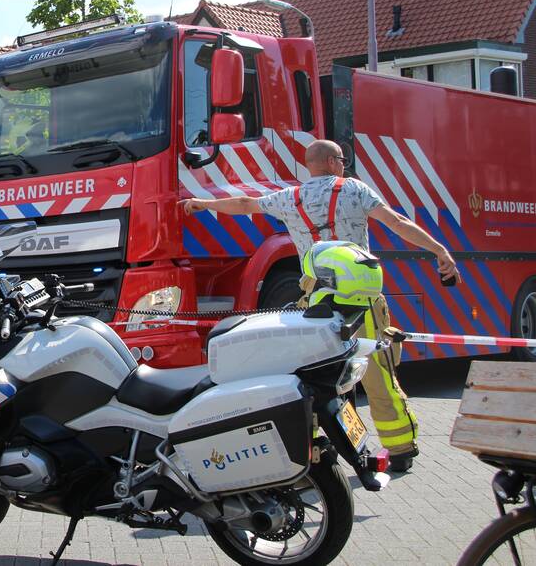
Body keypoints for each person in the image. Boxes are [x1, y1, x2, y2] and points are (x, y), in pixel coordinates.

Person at [180, 139, 461, 472]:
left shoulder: (291, 198)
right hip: (359, 297)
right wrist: (440, 251)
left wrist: (201, 202)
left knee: (318, 373)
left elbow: (244, 204)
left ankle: (315, 451)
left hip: (316, 302)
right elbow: (397, 223)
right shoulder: (354, 190)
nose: (344, 164)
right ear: (330, 161)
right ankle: (400, 449)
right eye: (341, 159)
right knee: (377, 370)